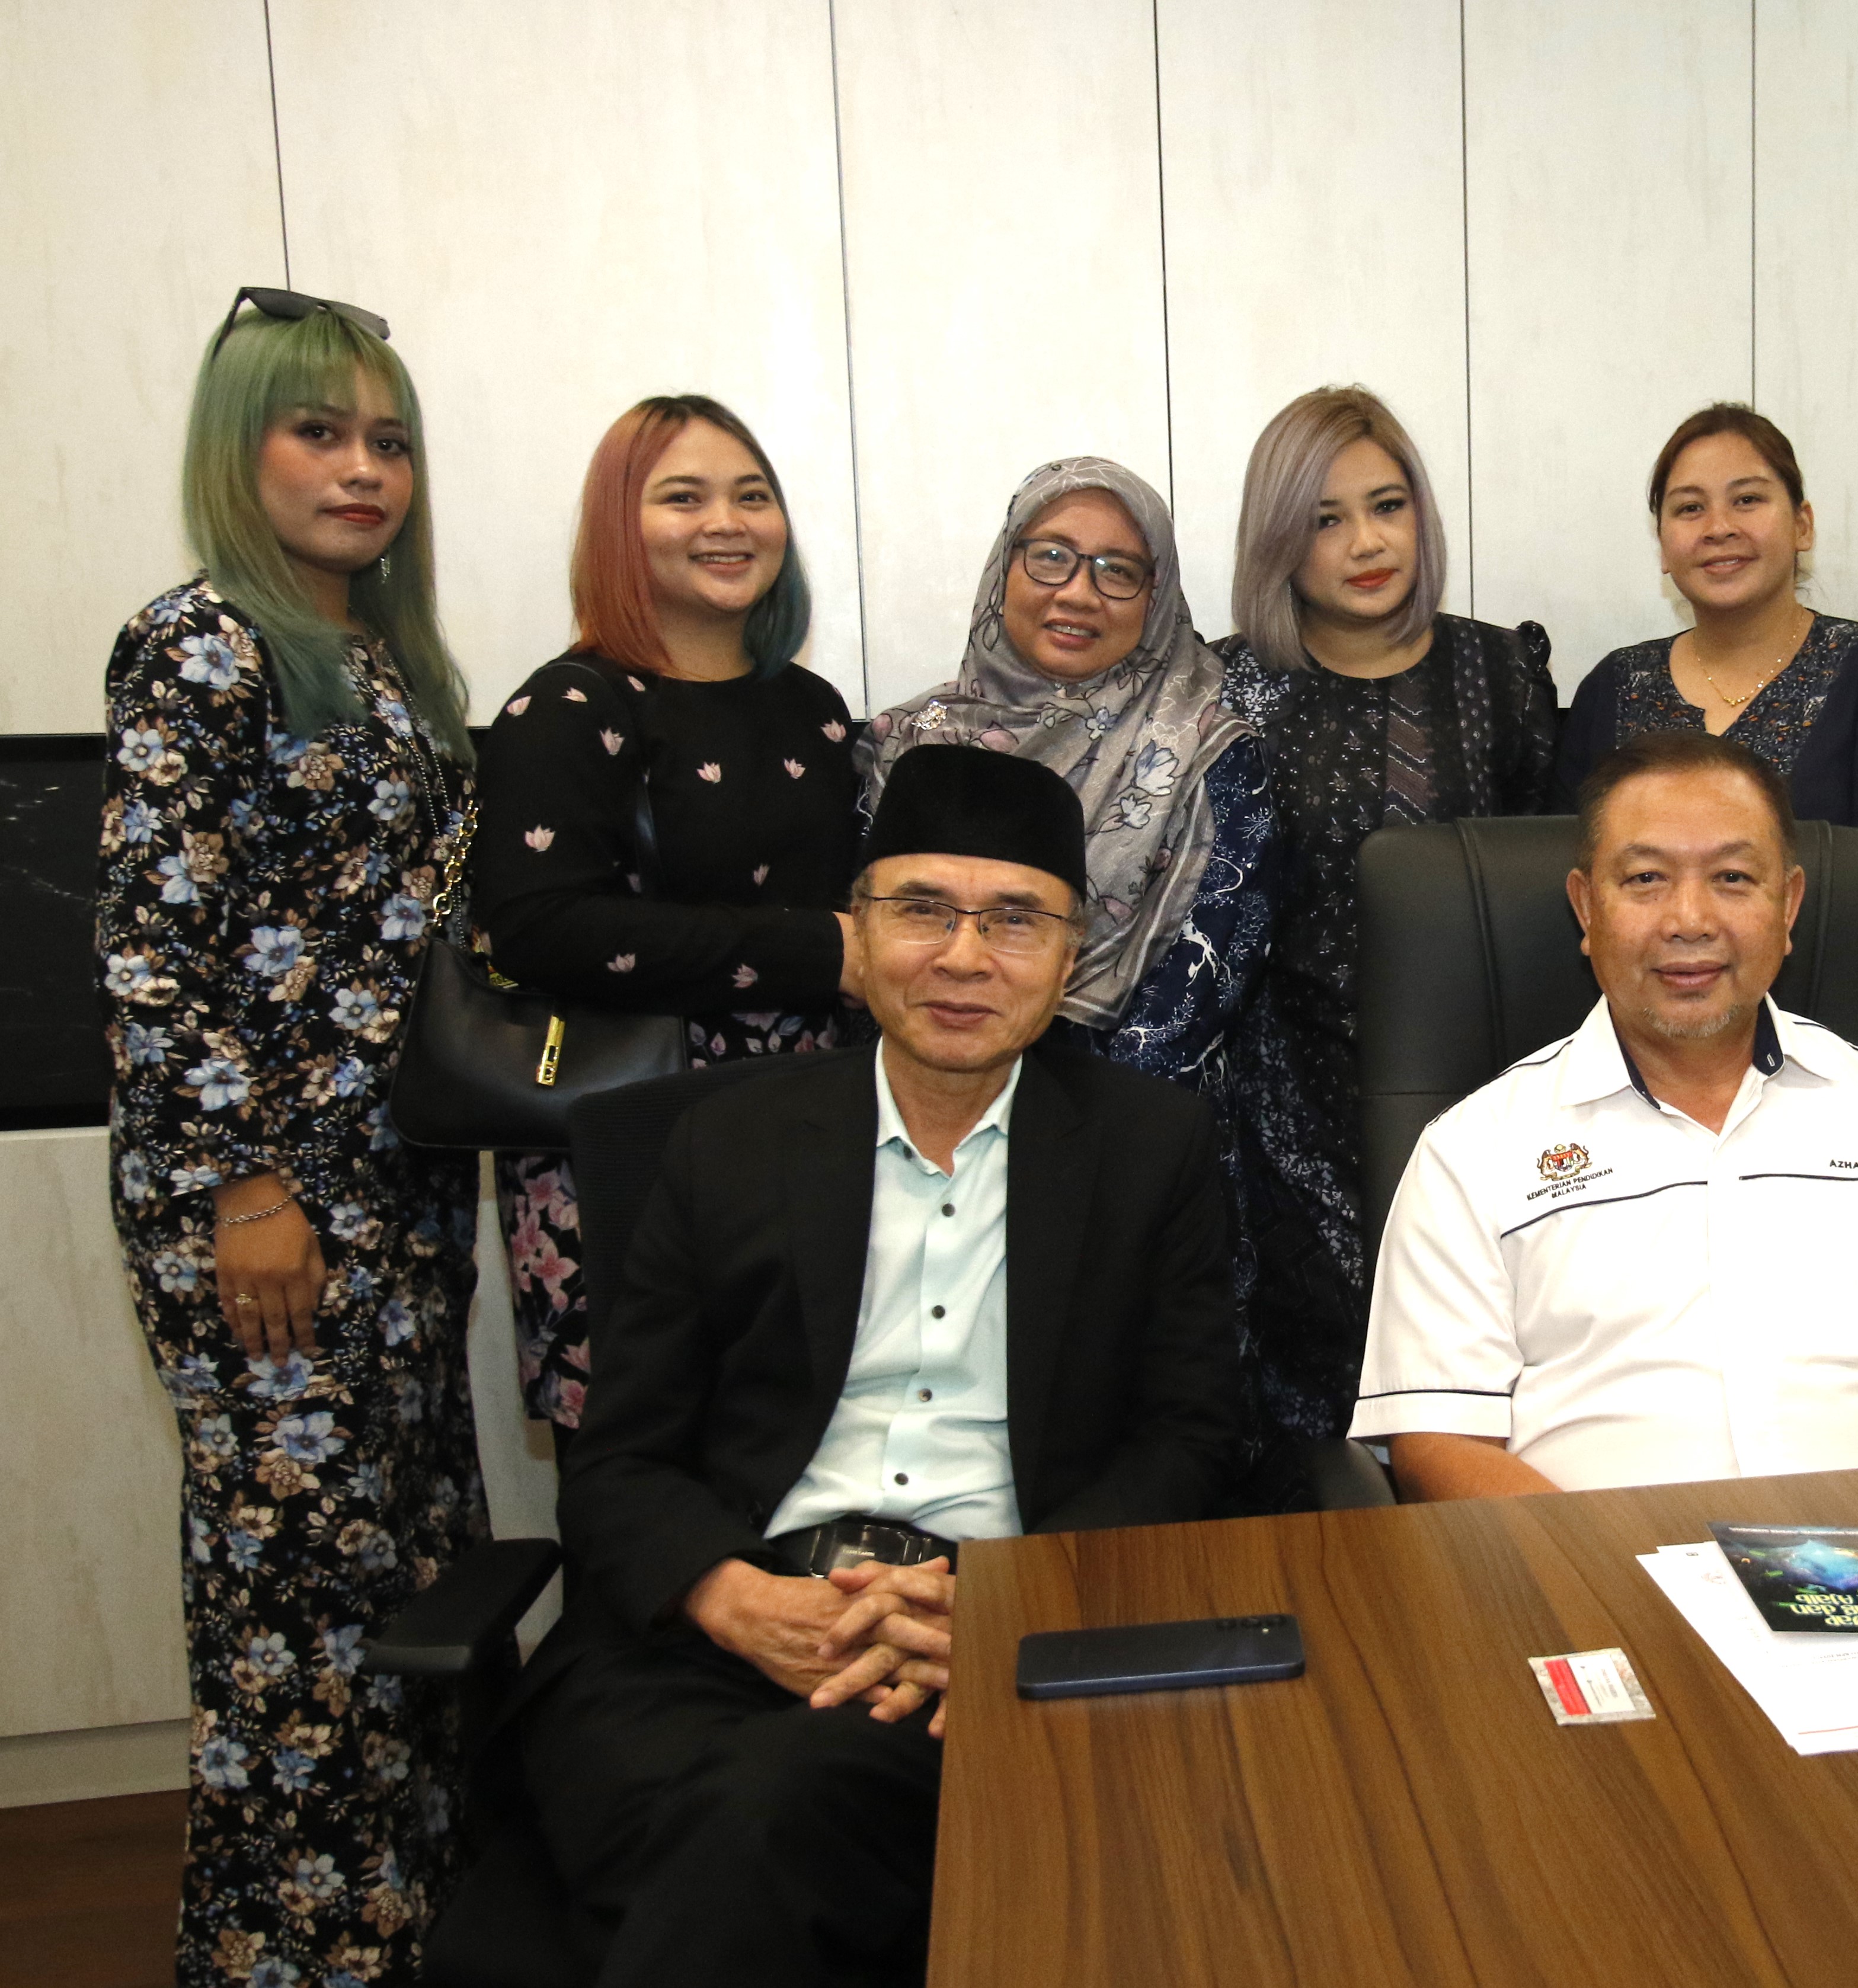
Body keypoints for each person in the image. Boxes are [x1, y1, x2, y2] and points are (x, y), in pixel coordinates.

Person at [507, 744, 1242, 1987]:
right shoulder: (726, 1140)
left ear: (1072, 957)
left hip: (985, 1636)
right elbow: (620, 1461)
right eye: (922, 911)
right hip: (716, 1637)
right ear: (856, 932)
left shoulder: (1149, 1147)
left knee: (760, 1820)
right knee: (757, 1816)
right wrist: (732, 1601)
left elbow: (1190, 1440)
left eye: (1016, 920)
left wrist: (1001, 1609)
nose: (964, 958)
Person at [97, 287, 490, 1987]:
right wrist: (245, 1188)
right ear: (234, 450)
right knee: (299, 1608)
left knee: (400, 1572)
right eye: (318, 433)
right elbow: (152, 949)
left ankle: (404, 1921)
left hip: (394, 1193)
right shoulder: (199, 644)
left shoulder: (390, 659)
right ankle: (292, 1956)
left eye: (387, 440)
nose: (361, 469)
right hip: (264, 1204)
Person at [1352, 732, 1858, 1497]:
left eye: (1732, 877)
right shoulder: (1470, 1151)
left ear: (1789, 906)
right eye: (1646, 878)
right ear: (1586, 907)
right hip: (1591, 1564)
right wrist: (1601, 1563)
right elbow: (1440, 1441)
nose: (1689, 919)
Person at [473, 395, 863, 1436]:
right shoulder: (568, 709)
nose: (726, 523)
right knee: (639, 1474)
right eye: (683, 498)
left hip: (806, 1134)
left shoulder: (816, 710)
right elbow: (539, 930)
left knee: (800, 1452)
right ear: (620, 525)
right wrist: (817, 949)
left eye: (752, 496)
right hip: (625, 1141)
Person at [1213, 386, 1561, 1496]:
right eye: (1325, 519)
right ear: (1279, 538)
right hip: (1283, 1105)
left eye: (1387, 505)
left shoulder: (1501, 673)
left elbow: (1549, 896)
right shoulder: (1225, 687)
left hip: (1477, 1096)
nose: (1365, 543)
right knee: (1316, 1427)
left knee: (1477, 1387)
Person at [1556, 404, 1858, 1051]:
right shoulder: (1612, 687)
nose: (1719, 527)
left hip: (1838, 1065)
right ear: (1663, 545)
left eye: (1747, 500)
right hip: (1640, 1061)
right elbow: (1578, 908)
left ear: (1802, 525)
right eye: (1689, 508)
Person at [864, 456, 1277, 1093]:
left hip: (1126, 1114)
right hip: (916, 1102)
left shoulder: (1208, 748)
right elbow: (869, 957)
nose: (1080, 593)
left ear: (1157, 596)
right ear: (1005, 567)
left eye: (1119, 570)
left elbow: (1198, 991)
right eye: (1052, 557)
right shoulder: (909, 740)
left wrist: (1045, 1121)